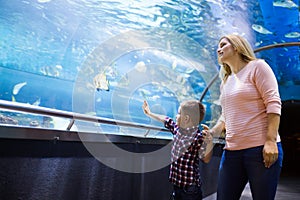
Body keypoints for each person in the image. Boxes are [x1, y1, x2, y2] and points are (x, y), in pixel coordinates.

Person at [202, 34, 283, 200]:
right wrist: (213, 132)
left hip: (259, 149)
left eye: (223, 44)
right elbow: (226, 115)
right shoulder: (226, 81)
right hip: (231, 151)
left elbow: (273, 104)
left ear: (236, 46)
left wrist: (270, 140)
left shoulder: (258, 67)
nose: (218, 49)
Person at [142, 100, 213, 200]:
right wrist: (150, 113)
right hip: (177, 186)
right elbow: (166, 119)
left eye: (179, 113)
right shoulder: (177, 130)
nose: (176, 115)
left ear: (186, 118)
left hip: (190, 190)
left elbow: (206, 159)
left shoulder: (198, 137)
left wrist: (209, 142)